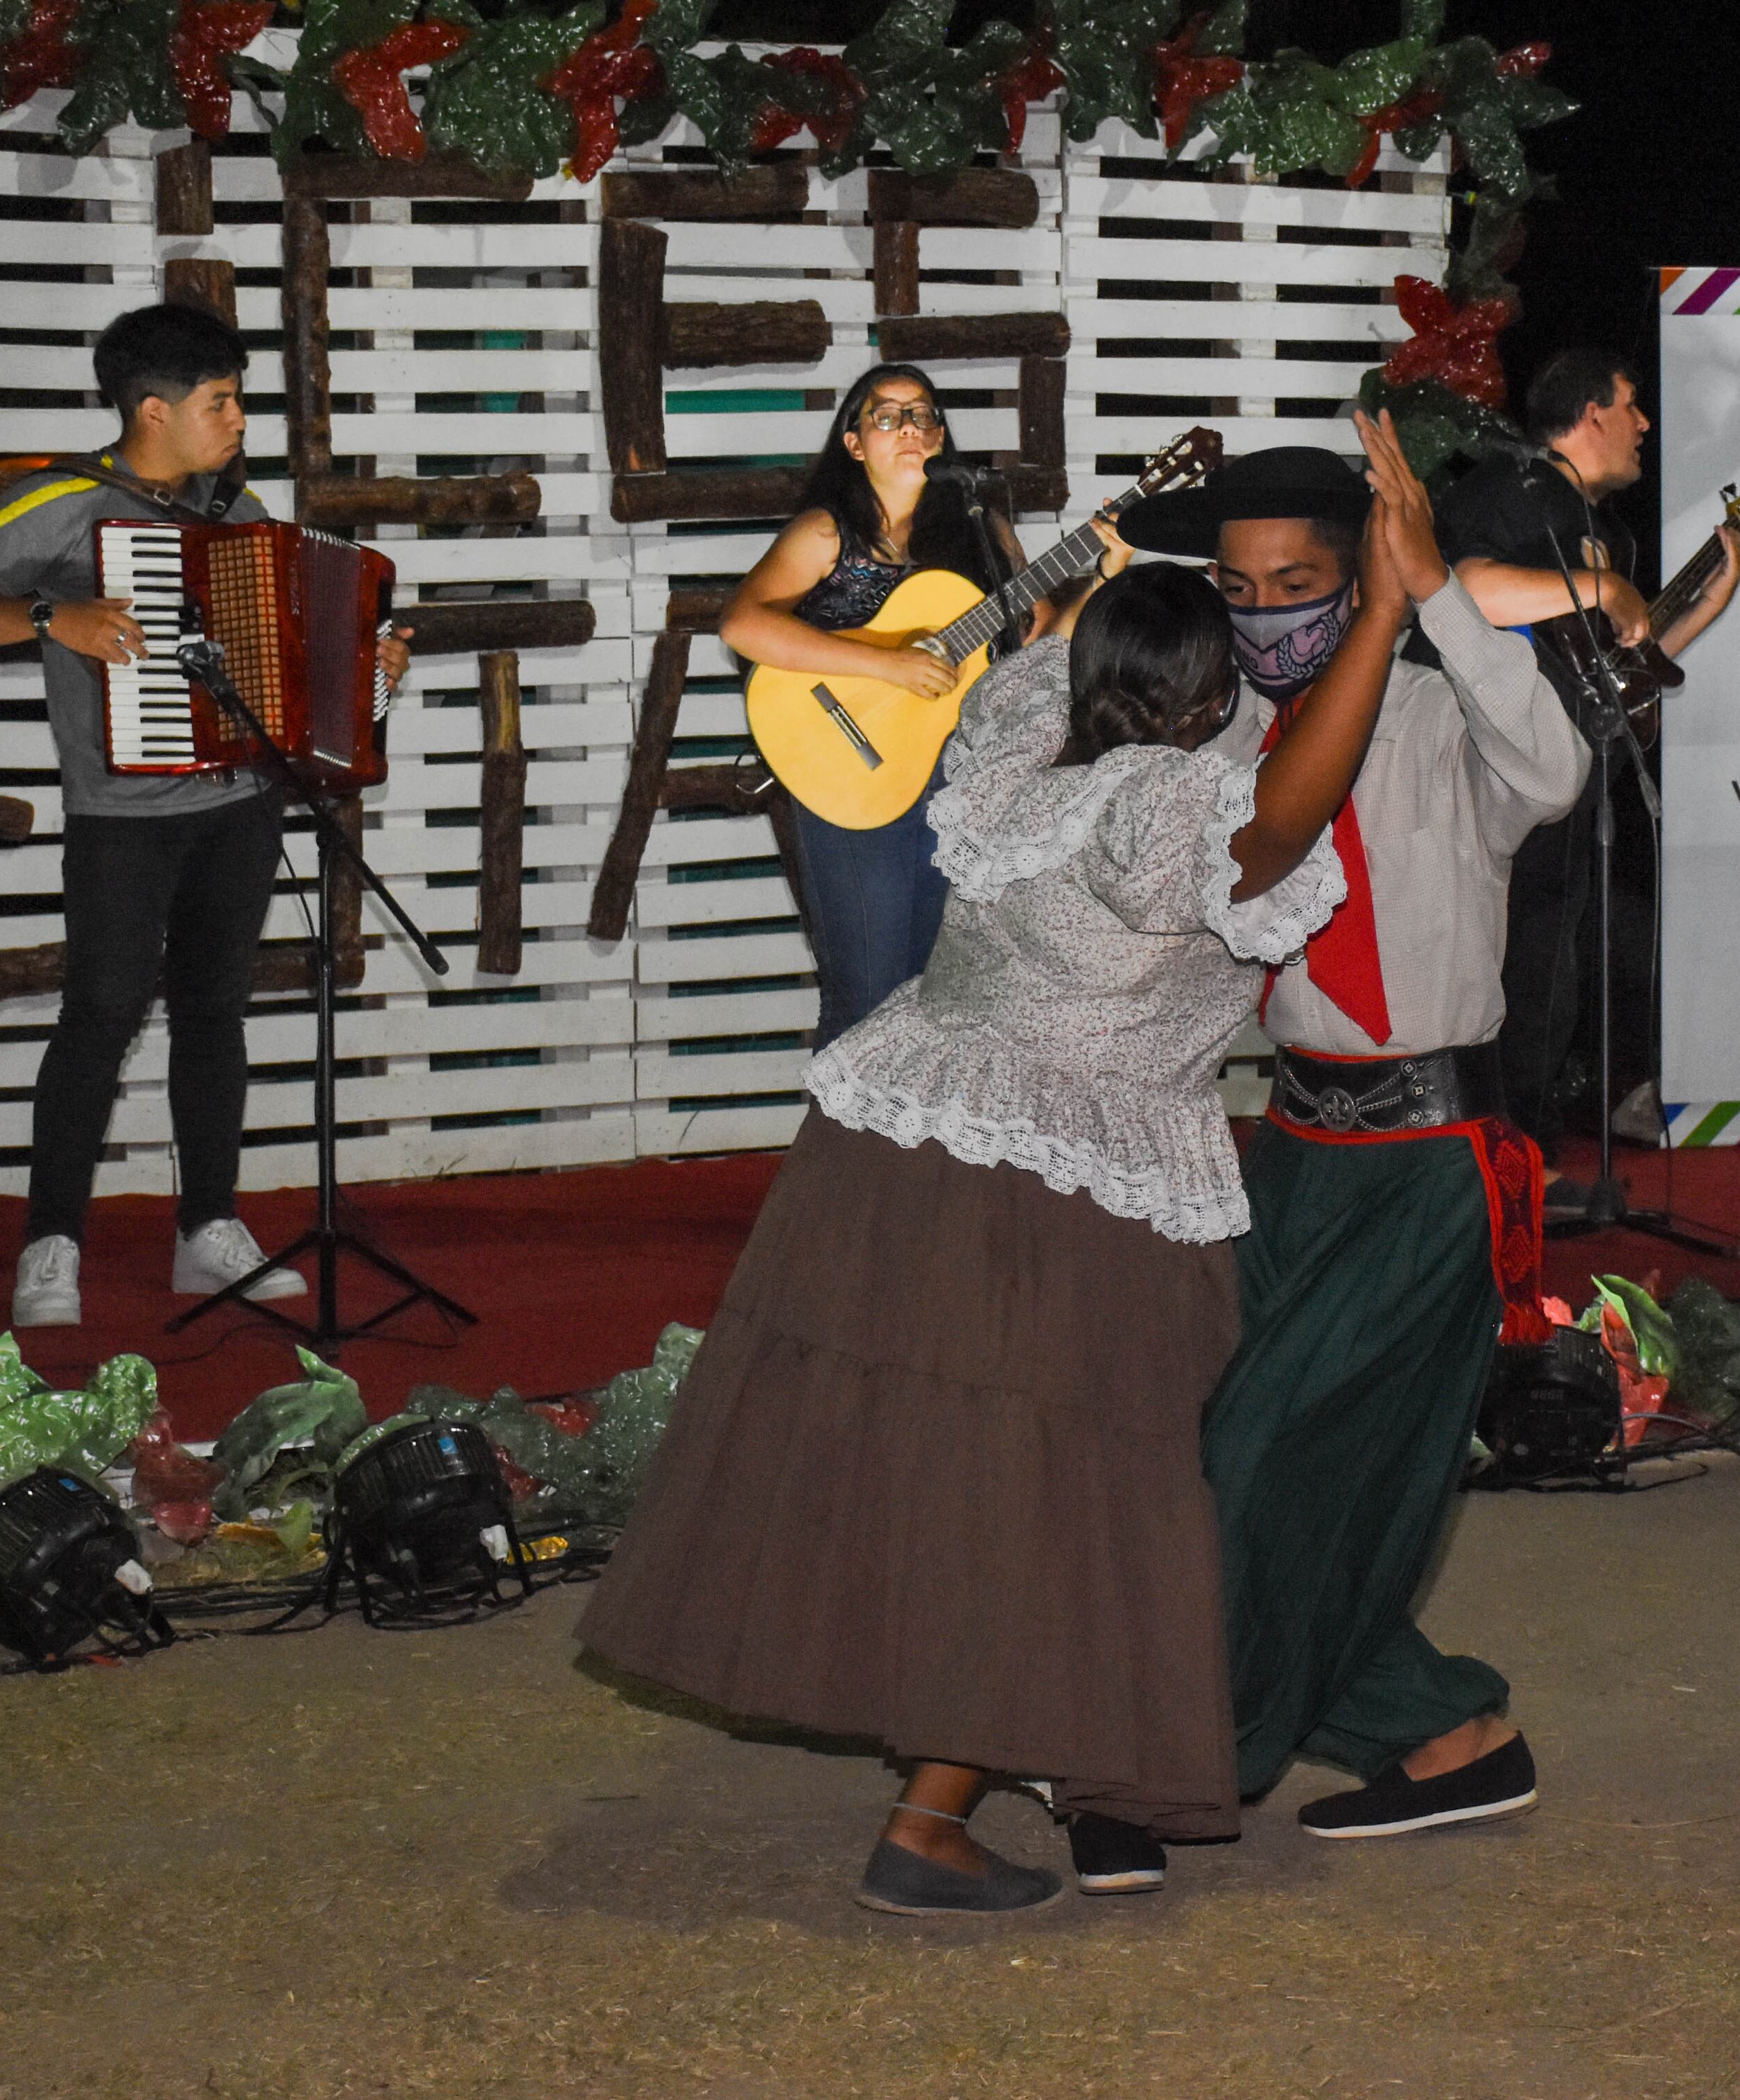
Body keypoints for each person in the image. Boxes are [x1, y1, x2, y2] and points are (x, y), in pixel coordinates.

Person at [577, 413, 1441, 1916]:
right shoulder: (1175, 796)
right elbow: (1288, 808)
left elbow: (1049, 639)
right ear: (1203, 701)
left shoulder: (1022, 735)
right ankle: (927, 1819)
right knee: (1049, 1493)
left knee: (921, 1464)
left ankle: (979, 1763)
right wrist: (1379, 611)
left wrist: (1083, 586)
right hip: (1067, 1175)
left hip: (899, 1144)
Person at [1112, 443, 1588, 1841]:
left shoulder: (1445, 714)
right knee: (1210, 1449)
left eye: (1301, 584)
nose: (1266, 615)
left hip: (1430, 1159)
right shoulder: (1216, 744)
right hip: (1288, 1149)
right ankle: (1448, 1732)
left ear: (1360, 574)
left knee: (1271, 1457)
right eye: (1239, 587)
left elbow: (1555, 769)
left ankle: (1181, 1752)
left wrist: (1434, 592)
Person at [0, 302, 408, 1330]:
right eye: (220, 403)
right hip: (121, 814)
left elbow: (278, 656)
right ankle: (52, 1240)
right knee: (102, 1014)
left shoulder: (238, 504)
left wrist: (366, 670)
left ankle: (207, 1226)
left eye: (237, 400)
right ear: (152, 411)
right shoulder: (61, 504)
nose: (239, 422)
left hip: (240, 801)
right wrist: (54, 616)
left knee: (215, 1013)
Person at [1437, 349, 1740, 1150]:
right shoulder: (1509, 489)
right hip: (1495, 788)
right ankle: (1492, 1164)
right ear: (1589, 411)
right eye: (1632, 404)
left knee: (1553, 981)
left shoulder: (1605, 532)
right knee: (1512, 979)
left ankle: (1525, 1159)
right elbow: (1465, 591)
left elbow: (1617, 670)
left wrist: (1699, 607)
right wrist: (1604, 589)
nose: (1645, 425)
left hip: (1575, 794)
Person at [717, 363, 1024, 1043]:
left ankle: (906, 1149)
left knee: (932, 993)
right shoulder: (828, 533)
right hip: (853, 767)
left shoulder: (981, 532)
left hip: (958, 776)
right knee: (867, 994)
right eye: (887, 415)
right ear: (854, 443)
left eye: (921, 414)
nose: (908, 426)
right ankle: (838, 1149)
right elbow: (743, 624)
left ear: (940, 436)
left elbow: (1037, 636)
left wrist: (1108, 561)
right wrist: (888, 663)